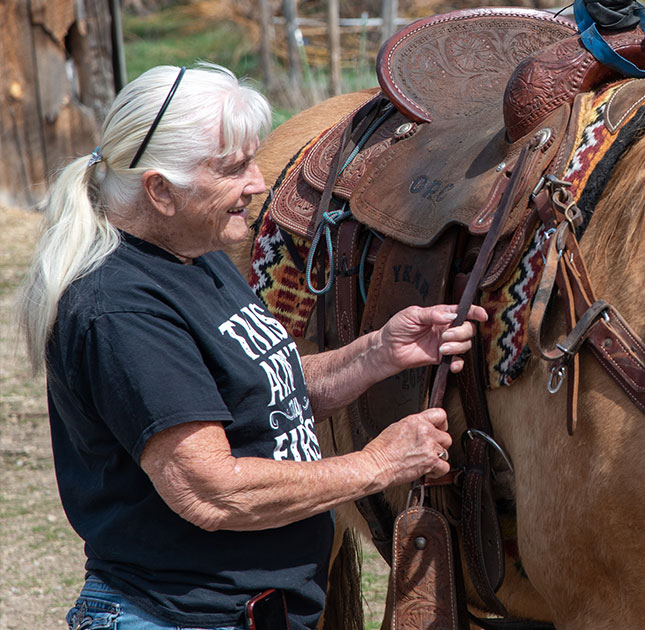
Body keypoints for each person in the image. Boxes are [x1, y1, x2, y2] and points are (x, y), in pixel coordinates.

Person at [17, 63, 486, 630]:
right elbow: (211, 491)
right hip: (185, 618)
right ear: (160, 191)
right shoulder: (121, 309)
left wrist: (376, 354)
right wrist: (379, 463)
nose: (258, 183)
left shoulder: (199, 252)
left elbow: (255, 390)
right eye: (233, 168)